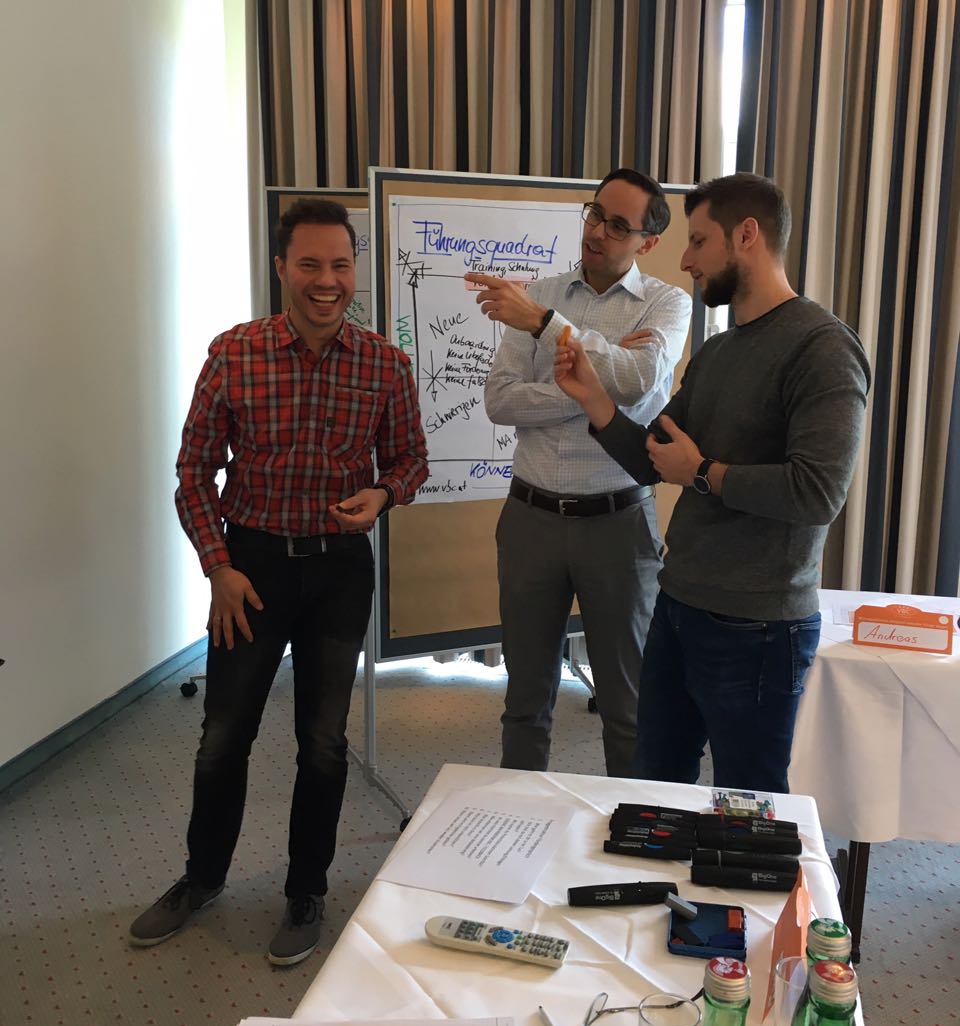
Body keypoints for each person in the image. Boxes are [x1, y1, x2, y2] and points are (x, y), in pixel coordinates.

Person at [130, 198, 428, 965]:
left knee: (322, 742)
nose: (327, 281)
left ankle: (306, 890)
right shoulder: (234, 353)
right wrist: (218, 567)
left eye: (340, 265)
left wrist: (385, 493)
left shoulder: (385, 364)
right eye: (310, 264)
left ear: (354, 269)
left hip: (338, 570)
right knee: (222, 737)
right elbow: (193, 472)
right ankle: (202, 878)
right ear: (281, 268)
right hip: (250, 570)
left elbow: (410, 460)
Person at [554, 172, 871, 793]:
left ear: (747, 235)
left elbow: (818, 493)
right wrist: (595, 399)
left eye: (698, 241)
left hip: (759, 627)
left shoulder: (823, 348)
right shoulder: (719, 352)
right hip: (678, 606)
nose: (685, 260)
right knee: (656, 787)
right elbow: (654, 458)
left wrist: (703, 473)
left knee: (747, 803)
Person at [466, 168, 691, 776]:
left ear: (647, 242)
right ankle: (518, 824)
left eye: (618, 225)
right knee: (524, 701)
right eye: (595, 214)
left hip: (619, 524)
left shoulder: (667, 303)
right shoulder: (540, 292)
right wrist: (592, 392)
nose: (597, 231)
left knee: (629, 705)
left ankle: (633, 825)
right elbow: (501, 401)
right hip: (531, 519)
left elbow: (639, 380)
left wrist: (549, 330)